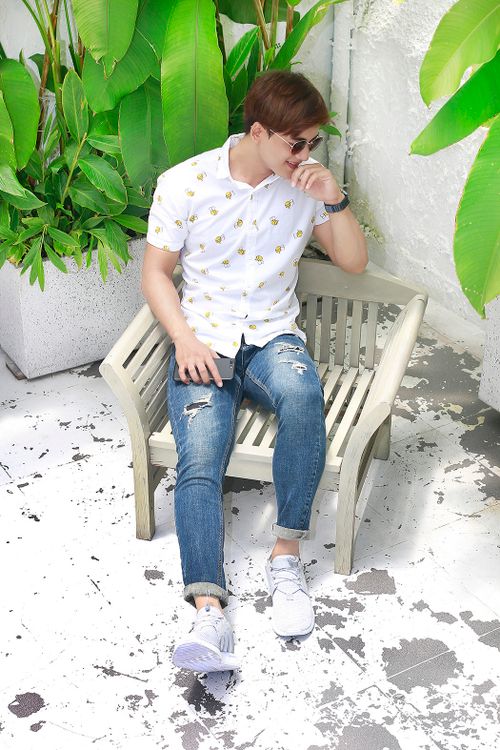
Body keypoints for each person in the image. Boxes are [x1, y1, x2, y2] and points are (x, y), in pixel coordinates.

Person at [142, 70, 367, 673]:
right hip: (204, 341)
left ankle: (285, 558)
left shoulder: (306, 186)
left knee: (302, 398)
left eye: (314, 142)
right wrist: (184, 339)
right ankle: (208, 613)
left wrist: (334, 197)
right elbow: (156, 273)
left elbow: (353, 262)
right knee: (200, 457)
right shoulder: (185, 183)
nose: (305, 154)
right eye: (297, 143)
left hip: (272, 336)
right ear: (260, 131)